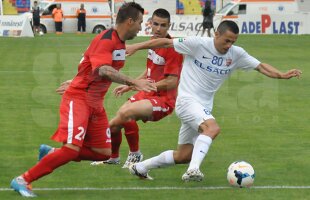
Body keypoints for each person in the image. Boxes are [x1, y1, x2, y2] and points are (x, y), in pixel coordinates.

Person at [126, 20, 302, 181]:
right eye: (226, 40)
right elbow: (165, 42)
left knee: (183, 155)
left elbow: (261, 66)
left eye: (233, 41)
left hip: (203, 107)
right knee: (212, 128)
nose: (229, 45)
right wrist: (136, 46)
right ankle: (193, 170)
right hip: (186, 101)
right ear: (216, 34)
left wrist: (282, 74)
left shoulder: (236, 54)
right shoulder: (198, 44)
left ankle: (140, 167)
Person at [10, 2, 155, 198]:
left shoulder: (119, 43)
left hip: (95, 104)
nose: (141, 26)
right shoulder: (107, 40)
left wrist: (78, 78)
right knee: (71, 149)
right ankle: (22, 180)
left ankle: (52, 153)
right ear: (129, 21)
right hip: (79, 99)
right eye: (140, 22)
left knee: (103, 152)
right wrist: (133, 82)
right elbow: (102, 69)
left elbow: (88, 65)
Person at [90, 8, 183, 168]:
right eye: (156, 24)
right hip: (148, 92)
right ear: (150, 24)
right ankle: (113, 158)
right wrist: (132, 85)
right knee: (113, 125)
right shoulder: (153, 43)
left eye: (163, 25)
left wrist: (145, 86)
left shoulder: (172, 48)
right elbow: (150, 71)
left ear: (169, 26)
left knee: (126, 112)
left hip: (164, 100)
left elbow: (172, 82)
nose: (159, 28)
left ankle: (135, 154)